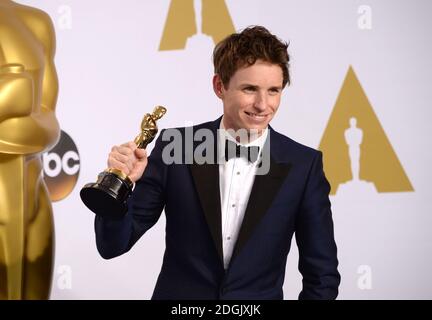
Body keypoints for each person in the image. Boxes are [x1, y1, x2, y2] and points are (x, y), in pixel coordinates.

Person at [95, 26, 340, 299]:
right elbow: (113, 245)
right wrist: (119, 183)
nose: (263, 104)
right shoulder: (177, 147)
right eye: (250, 89)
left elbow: (322, 276)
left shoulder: (303, 166)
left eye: (274, 91)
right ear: (219, 86)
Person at [0, 0, 60, 300]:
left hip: (32, 194)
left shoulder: (36, 21)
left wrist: (14, 98)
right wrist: (16, 98)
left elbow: (48, 118)